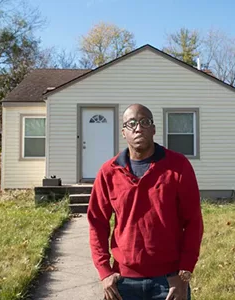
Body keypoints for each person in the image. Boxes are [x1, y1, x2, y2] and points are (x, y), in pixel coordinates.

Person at [87, 104, 204, 300]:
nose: (138, 128)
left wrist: (184, 272)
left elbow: (193, 222)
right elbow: (97, 223)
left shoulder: (178, 166)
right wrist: (104, 271)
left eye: (144, 122)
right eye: (131, 123)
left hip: (169, 281)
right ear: (123, 132)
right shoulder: (109, 172)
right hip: (123, 282)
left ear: (153, 129)